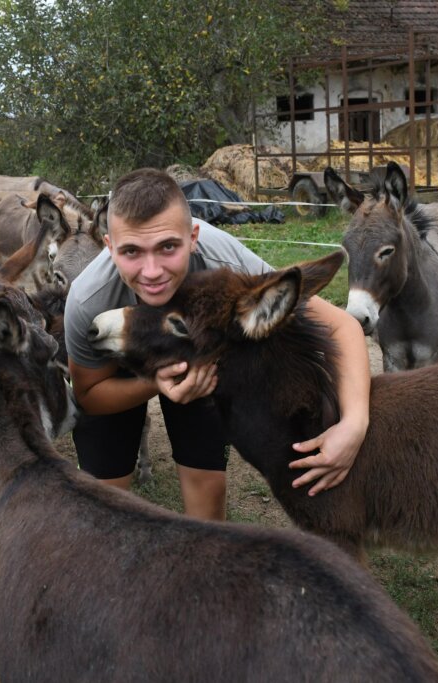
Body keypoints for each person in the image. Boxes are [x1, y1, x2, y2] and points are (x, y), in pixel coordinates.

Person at [64, 168, 370, 520]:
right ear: (109, 247)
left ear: (193, 237)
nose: (151, 271)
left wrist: (354, 424)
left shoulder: (223, 259)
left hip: (198, 359)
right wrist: (155, 383)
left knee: (207, 499)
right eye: (131, 251)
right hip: (119, 373)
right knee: (107, 502)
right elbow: (89, 394)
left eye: (168, 247)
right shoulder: (89, 299)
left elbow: (343, 326)